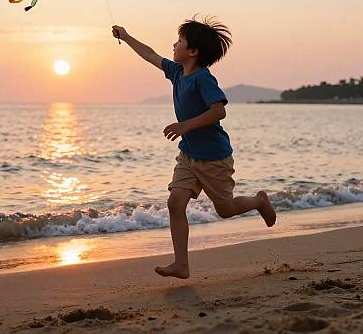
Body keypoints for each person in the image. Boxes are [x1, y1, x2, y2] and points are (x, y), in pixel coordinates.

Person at [112, 16, 276, 279]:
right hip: (188, 155)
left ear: (193, 51)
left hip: (213, 158)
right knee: (175, 203)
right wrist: (126, 36)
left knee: (225, 210)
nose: (173, 44)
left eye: (179, 41)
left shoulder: (203, 79)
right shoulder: (177, 72)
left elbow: (219, 111)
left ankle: (259, 201)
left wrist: (185, 126)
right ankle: (181, 264)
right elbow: (150, 54)